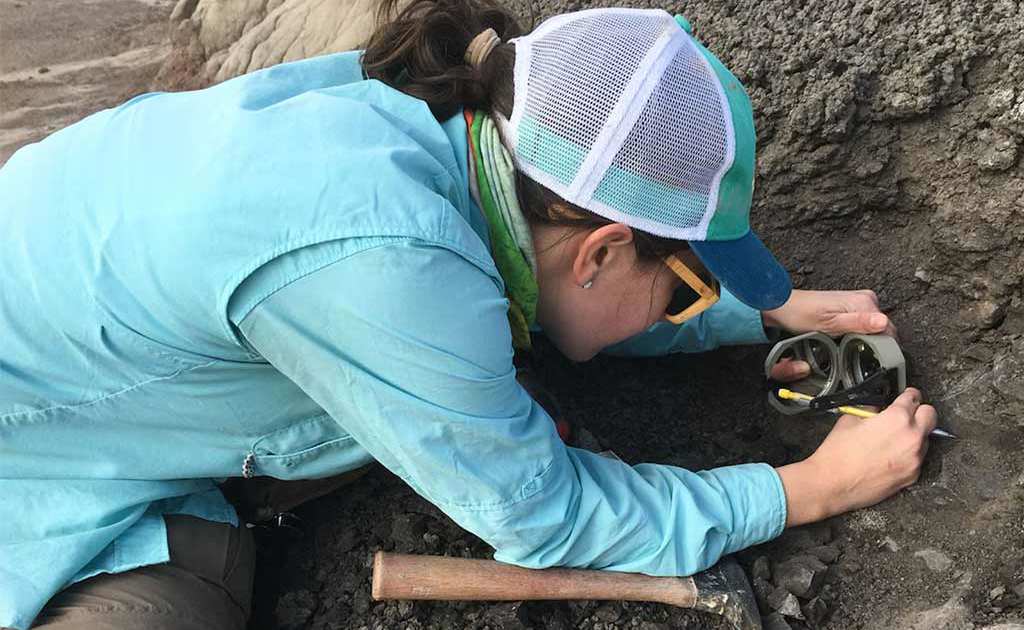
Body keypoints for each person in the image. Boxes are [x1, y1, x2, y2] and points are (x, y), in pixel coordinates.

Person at [0, 1, 938, 628]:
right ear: (604, 248)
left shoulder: (415, 115)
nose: (691, 301)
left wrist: (754, 312)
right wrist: (804, 490)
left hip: (100, 357)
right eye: (687, 282)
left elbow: (554, 289)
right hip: (34, 474)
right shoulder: (386, 270)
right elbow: (548, 517)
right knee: (191, 600)